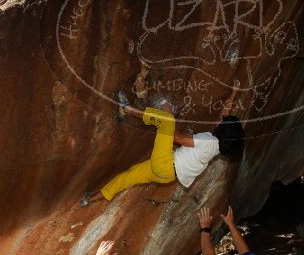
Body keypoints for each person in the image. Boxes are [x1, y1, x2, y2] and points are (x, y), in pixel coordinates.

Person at [79, 86, 244, 207]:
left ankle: (127, 109)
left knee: (167, 121)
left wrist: (167, 112)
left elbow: (175, 138)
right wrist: (234, 92)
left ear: (223, 131)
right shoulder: (216, 147)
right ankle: (89, 199)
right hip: (166, 176)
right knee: (127, 177)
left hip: (165, 163)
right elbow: (224, 116)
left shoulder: (208, 141)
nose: (222, 122)